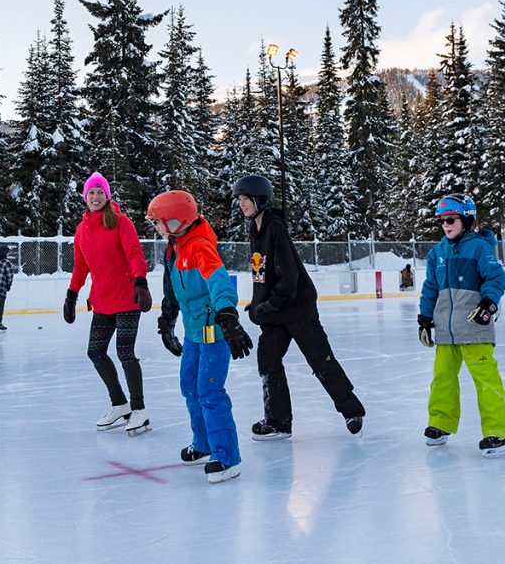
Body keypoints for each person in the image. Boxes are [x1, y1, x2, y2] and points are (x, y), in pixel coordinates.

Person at [233, 175, 366, 440]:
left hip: (297, 308)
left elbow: (289, 276)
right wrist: (257, 304)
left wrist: (269, 305)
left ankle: (352, 410)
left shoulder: (275, 227)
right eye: (239, 199)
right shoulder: (255, 229)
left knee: (320, 360)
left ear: (260, 199)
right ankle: (279, 421)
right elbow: (262, 272)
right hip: (273, 311)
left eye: (246, 198)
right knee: (268, 361)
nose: (242, 204)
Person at [147, 189, 253, 484]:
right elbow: (172, 291)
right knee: (189, 387)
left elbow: (219, 281)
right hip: (194, 332)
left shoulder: (198, 246)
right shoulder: (174, 247)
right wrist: (166, 322)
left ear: (176, 221)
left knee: (210, 391)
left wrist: (228, 317)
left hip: (215, 332)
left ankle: (227, 456)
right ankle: (204, 443)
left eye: (158, 222)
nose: (155, 228)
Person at [418, 193, 505, 458]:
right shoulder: (437, 252)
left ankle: (501, 432)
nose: (446, 225)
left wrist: (488, 305)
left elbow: (495, 278)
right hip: (446, 330)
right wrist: (425, 320)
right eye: (441, 221)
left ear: (466, 219)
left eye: (451, 219)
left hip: (474, 325)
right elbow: (430, 288)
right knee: (442, 379)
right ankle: (440, 424)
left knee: (486, 379)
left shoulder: (479, 248)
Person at [63, 172, 154, 437]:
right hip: (102, 301)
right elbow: (81, 266)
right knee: (95, 352)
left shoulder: (122, 222)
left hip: (127, 298)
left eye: (100, 192)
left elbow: (135, 253)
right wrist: (71, 294)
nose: (95, 197)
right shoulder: (81, 230)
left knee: (125, 352)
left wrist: (141, 282)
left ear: (107, 195)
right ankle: (120, 404)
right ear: (85, 196)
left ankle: (139, 410)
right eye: (91, 192)